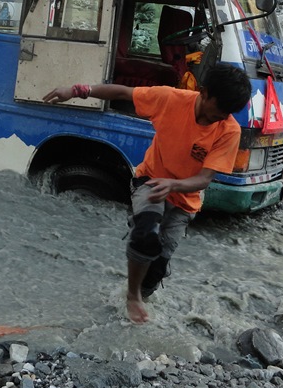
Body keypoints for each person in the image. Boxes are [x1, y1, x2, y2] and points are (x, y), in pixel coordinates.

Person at [42, 63, 251, 324]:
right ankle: (131, 296)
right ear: (204, 93)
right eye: (219, 110)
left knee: (157, 269)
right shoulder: (170, 99)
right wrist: (75, 90)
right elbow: (123, 93)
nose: (222, 117)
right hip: (150, 180)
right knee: (145, 234)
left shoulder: (228, 130)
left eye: (228, 113)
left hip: (185, 200)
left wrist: (174, 185)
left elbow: (204, 179)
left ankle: (140, 298)